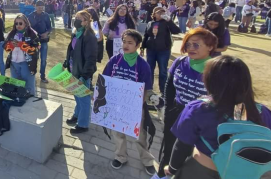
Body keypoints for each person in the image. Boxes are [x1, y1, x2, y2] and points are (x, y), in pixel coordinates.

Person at [157, 56, 271, 179]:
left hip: (204, 171)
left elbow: (182, 145)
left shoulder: (199, 108)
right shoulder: (262, 111)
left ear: (211, 80)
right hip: (250, 171)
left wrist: (172, 168)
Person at [157, 27, 218, 178]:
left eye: (196, 44)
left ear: (210, 47)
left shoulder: (216, 69)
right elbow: (169, 86)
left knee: (189, 154)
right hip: (176, 112)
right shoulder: (180, 62)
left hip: (200, 120)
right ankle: (161, 175)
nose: (190, 48)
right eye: (188, 44)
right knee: (169, 148)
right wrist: (168, 108)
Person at [103, 29, 157, 176]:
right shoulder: (115, 60)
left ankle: (147, 160)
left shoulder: (143, 65)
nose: (126, 45)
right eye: (124, 42)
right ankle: (120, 156)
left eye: (130, 43)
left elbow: (147, 88)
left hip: (135, 106)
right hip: (116, 105)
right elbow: (105, 80)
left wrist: (141, 104)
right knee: (118, 132)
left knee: (140, 135)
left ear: (138, 45)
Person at [64, 11, 98, 134]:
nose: (76, 20)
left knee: (83, 99)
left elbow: (91, 58)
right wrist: (66, 61)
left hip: (82, 72)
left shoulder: (89, 37)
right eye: (76, 18)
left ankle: (83, 124)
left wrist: (85, 75)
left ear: (86, 22)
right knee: (76, 95)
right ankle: (76, 115)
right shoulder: (76, 33)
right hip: (74, 69)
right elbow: (72, 50)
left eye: (80, 19)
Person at [141, 7, 180, 93]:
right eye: (158, 12)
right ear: (154, 14)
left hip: (163, 50)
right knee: (149, 69)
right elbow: (146, 35)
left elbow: (176, 31)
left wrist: (169, 21)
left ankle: (163, 90)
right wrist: (142, 47)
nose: (160, 14)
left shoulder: (166, 23)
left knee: (162, 71)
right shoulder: (150, 23)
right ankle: (149, 89)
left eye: (162, 12)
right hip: (151, 50)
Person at [4, 14, 39, 96]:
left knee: (28, 86)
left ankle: (30, 104)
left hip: (26, 64)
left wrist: (22, 45)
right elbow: (6, 48)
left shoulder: (32, 34)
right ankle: (18, 100)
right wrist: (11, 45)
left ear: (26, 23)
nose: (18, 25)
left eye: (20, 23)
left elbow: (35, 49)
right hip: (14, 63)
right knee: (15, 85)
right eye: (16, 23)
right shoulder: (12, 33)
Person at [28, 0, 52, 83]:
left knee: (43, 59)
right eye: (39, 7)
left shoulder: (46, 15)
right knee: (34, 59)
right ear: (35, 7)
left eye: (42, 8)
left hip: (43, 40)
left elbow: (50, 27)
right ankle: (32, 76)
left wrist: (46, 33)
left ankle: (42, 76)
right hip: (34, 41)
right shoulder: (31, 16)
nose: (40, 9)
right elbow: (28, 28)